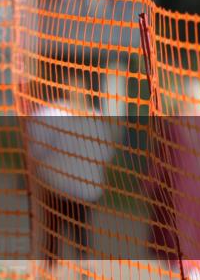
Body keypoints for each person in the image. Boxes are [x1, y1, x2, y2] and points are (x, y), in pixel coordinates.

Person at [25, 66, 128, 271]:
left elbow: (35, 146)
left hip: (68, 189)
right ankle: (60, 273)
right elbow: (105, 154)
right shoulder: (84, 115)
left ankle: (63, 273)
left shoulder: (58, 113)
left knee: (65, 239)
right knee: (70, 240)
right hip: (70, 189)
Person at [144, 77, 200, 280]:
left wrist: (148, 185)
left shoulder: (175, 125)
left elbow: (160, 162)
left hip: (176, 197)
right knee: (197, 249)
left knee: (176, 250)